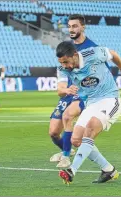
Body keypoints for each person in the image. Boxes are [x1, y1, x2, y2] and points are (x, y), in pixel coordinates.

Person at [56, 41, 121, 184]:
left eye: (66, 61)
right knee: (76, 140)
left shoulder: (93, 53)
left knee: (90, 128)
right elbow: (60, 89)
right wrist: (66, 90)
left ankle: (72, 170)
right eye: (61, 62)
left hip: (109, 98)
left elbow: (113, 54)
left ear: (74, 55)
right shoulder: (62, 67)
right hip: (91, 103)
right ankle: (108, 169)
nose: (65, 66)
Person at [49, 14, 100, 168]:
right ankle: (67, 149)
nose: (71, 29)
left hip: (83, 92)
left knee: (68, 116)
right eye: (69, 26)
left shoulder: (93, 49)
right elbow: (61, 78)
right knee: (53, 132)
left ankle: (65, 157)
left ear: (83, 27)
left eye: (75, 26)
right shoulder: (67, 48)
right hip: (68, 92)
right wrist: (65, 89)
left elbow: (101, 73)